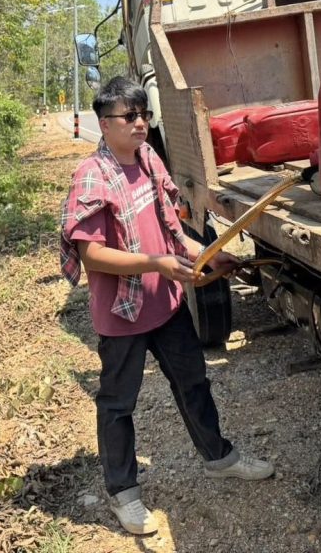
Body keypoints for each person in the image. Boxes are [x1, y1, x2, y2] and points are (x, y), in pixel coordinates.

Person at [60, 76, 274, 536]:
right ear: (104, 123)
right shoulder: (92, 176)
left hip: (167, 304)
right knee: (118, 404)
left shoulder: (149, 159)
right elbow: (91, 255)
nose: (140, 123)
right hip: (123, 315)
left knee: (193, 382)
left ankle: (218, 458)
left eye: (144, 114)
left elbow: (170, 233)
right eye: (129, 116)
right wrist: (155, 263)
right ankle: (123, 493)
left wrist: (208, 256)